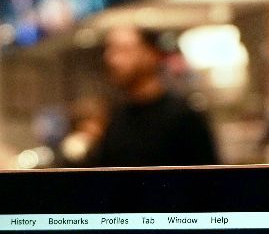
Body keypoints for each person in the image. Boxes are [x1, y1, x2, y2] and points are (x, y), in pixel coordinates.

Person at [82, 27, 220, 168]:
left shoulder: (184, 117)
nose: (111, 59)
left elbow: (210, 182)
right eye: (110, 50)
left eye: (123, 50)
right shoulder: (116, 117)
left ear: (151, 54)